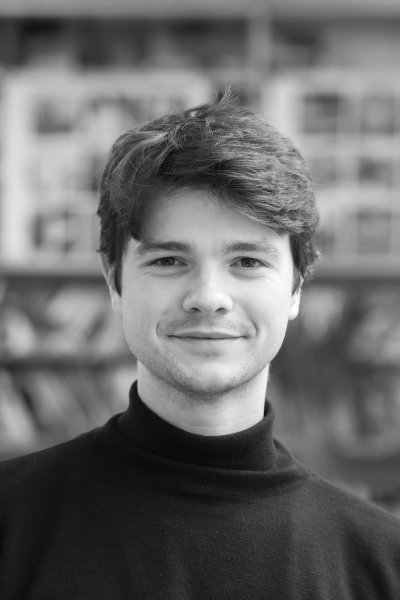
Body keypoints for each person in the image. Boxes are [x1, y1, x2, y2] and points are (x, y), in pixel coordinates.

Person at [0, 93, 399, 599]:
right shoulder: (11, 523)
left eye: (248, 262)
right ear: (114, 280)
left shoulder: (381, 564)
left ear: (297, 286)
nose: (208, 297)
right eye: (168, 261)